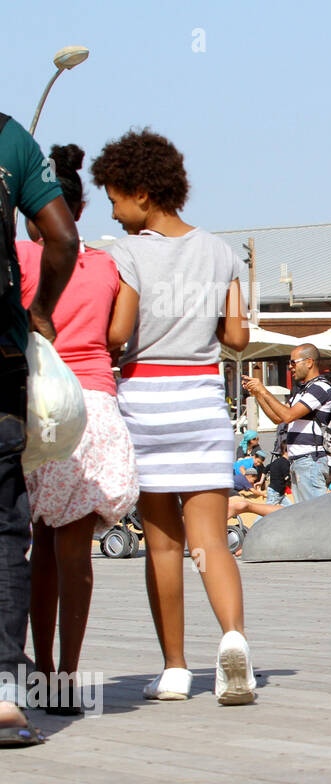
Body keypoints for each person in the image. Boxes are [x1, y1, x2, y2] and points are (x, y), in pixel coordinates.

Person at [91, 127, 256, 705]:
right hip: (202, 402)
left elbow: (116, 333)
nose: (113, 211)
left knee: (162, 546)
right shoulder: (220, 251)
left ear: (141, 191)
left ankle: (176, 669)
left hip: (146, 401)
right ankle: (234, 641)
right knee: (210, 540)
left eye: (114, 198)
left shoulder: (125, 253)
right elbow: (236, 335)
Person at [19, 145, 139, 715]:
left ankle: (40, 673)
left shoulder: (20, 256)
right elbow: (118, 338)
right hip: (93, 406)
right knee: (76, 555)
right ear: (80, 208)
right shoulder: (108, 265)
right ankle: (68, 673)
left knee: (37, 547)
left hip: (39, 408)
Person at [0, 112, 79, 746]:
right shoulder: (10, 138)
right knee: (4, 526)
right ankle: (2, 692)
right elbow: (62, 238)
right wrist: (40, 310)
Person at [242, 345, 331, 502]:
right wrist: (258, 395)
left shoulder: (320, 387)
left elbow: (288, 415)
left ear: (309, 362)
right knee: (305, 514)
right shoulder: (303, 391)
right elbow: (278, 418)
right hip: (299, 461)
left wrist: (263, 390)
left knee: (315, 515)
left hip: (310, 460)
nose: (290, 367)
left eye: (293, 362)